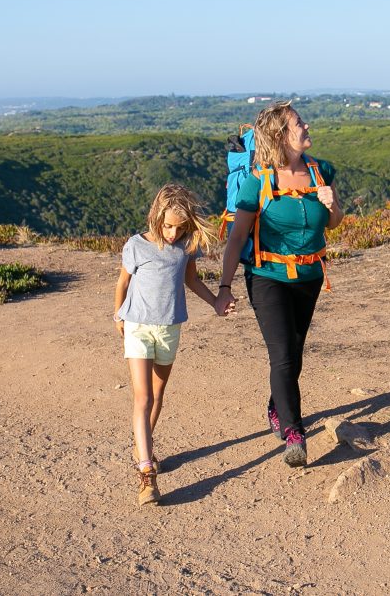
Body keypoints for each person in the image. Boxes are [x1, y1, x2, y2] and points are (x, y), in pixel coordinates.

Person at [213, 102, 344, 468]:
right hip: (267, 276)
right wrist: (224, 287)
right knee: (283, 353)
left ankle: (277, 404)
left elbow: (332, 223)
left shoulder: (322, 171)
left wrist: (332, 206)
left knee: (295, 352)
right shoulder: (259, 180)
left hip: (309, 277)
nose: (306, 125)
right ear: (279, 136)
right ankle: (293, 433)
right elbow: (237, 237)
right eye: (298, 123)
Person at [113, 183, 220, 506]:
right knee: (143, 398)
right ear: (156, 218)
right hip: (138, 326)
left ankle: (141, 444)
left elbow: (191, 280)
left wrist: (216, 302)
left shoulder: (187, 246)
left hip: (169, 328)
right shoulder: (136, 246)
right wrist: (118, 316)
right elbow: (123, 282)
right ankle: (147, 475)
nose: (173, 233)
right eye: (168, 225)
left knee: (158, 396)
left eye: (180, 226)